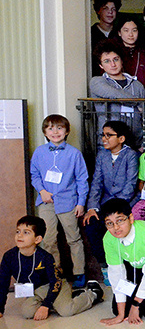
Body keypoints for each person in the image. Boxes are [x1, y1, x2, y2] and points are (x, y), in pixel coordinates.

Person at [0, 215, 102, 320]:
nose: (20, 236)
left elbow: (55, 282)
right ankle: (67, 298)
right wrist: (0, 308)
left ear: (37, 239)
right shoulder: (9, 257)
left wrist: (46, 305)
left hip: (55, 285)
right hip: (35, 290)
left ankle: (93, 293)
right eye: (18, 231)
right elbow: (2, 283)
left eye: (26, 232)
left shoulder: (45, 257)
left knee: (66, 310)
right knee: (27, 312)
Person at [29, 114, 89, 289]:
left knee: (73, 238)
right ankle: (55, 272)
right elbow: (35, 174)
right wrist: (42, 191)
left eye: (59, 128)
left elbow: (81, 180)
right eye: (50, 128)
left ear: (67, 131)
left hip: (68, 202)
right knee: (48, 239)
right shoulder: (39, 152)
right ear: (45, 132)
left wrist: (81, 202)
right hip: (46, 201)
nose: (55, 131)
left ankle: (79, 272)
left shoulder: (74, 154)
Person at [100, 198, 145, 325]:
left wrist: (135, 305)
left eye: (120, 221)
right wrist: (120, 315)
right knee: (118, 309)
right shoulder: (108, 239)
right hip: (134, 267)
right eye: (109, 223)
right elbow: (116, 273)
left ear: (131, 218)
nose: (115, 227)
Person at [85, 121, 137, 272]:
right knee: (92, 224)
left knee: (120, 223)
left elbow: (131, 185)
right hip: (105, 204)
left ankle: (126, 265)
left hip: (127, 202)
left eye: (109, 135)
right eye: (103, 135)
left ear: (121, 139)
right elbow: (96, 183)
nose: (104, 139)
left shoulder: (131, 155)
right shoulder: (102, 155)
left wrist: (114, 207)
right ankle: (105, 265)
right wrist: (92, 207)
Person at [89, 40, 145, 138]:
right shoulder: (97, 82)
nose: (113, 64)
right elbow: (113, 94)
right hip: (106, 144)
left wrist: (144, 144)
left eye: (116, 59)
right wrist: (138, 102)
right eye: (107, 61)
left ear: (121, 60)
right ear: (101, 65)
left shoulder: (137, 85)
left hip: (135, 143)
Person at [116, 19, 145, 92]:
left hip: (144, 100)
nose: (131, 34)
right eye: (126, 30)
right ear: (119, 33)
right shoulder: (113, 55)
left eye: (134, 30)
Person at [92, 0, 121, 73]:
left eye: (113, 9)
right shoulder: (90, 34)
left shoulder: (120, 33)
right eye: (106, 8)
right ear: (98, 11)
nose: (110, 12)